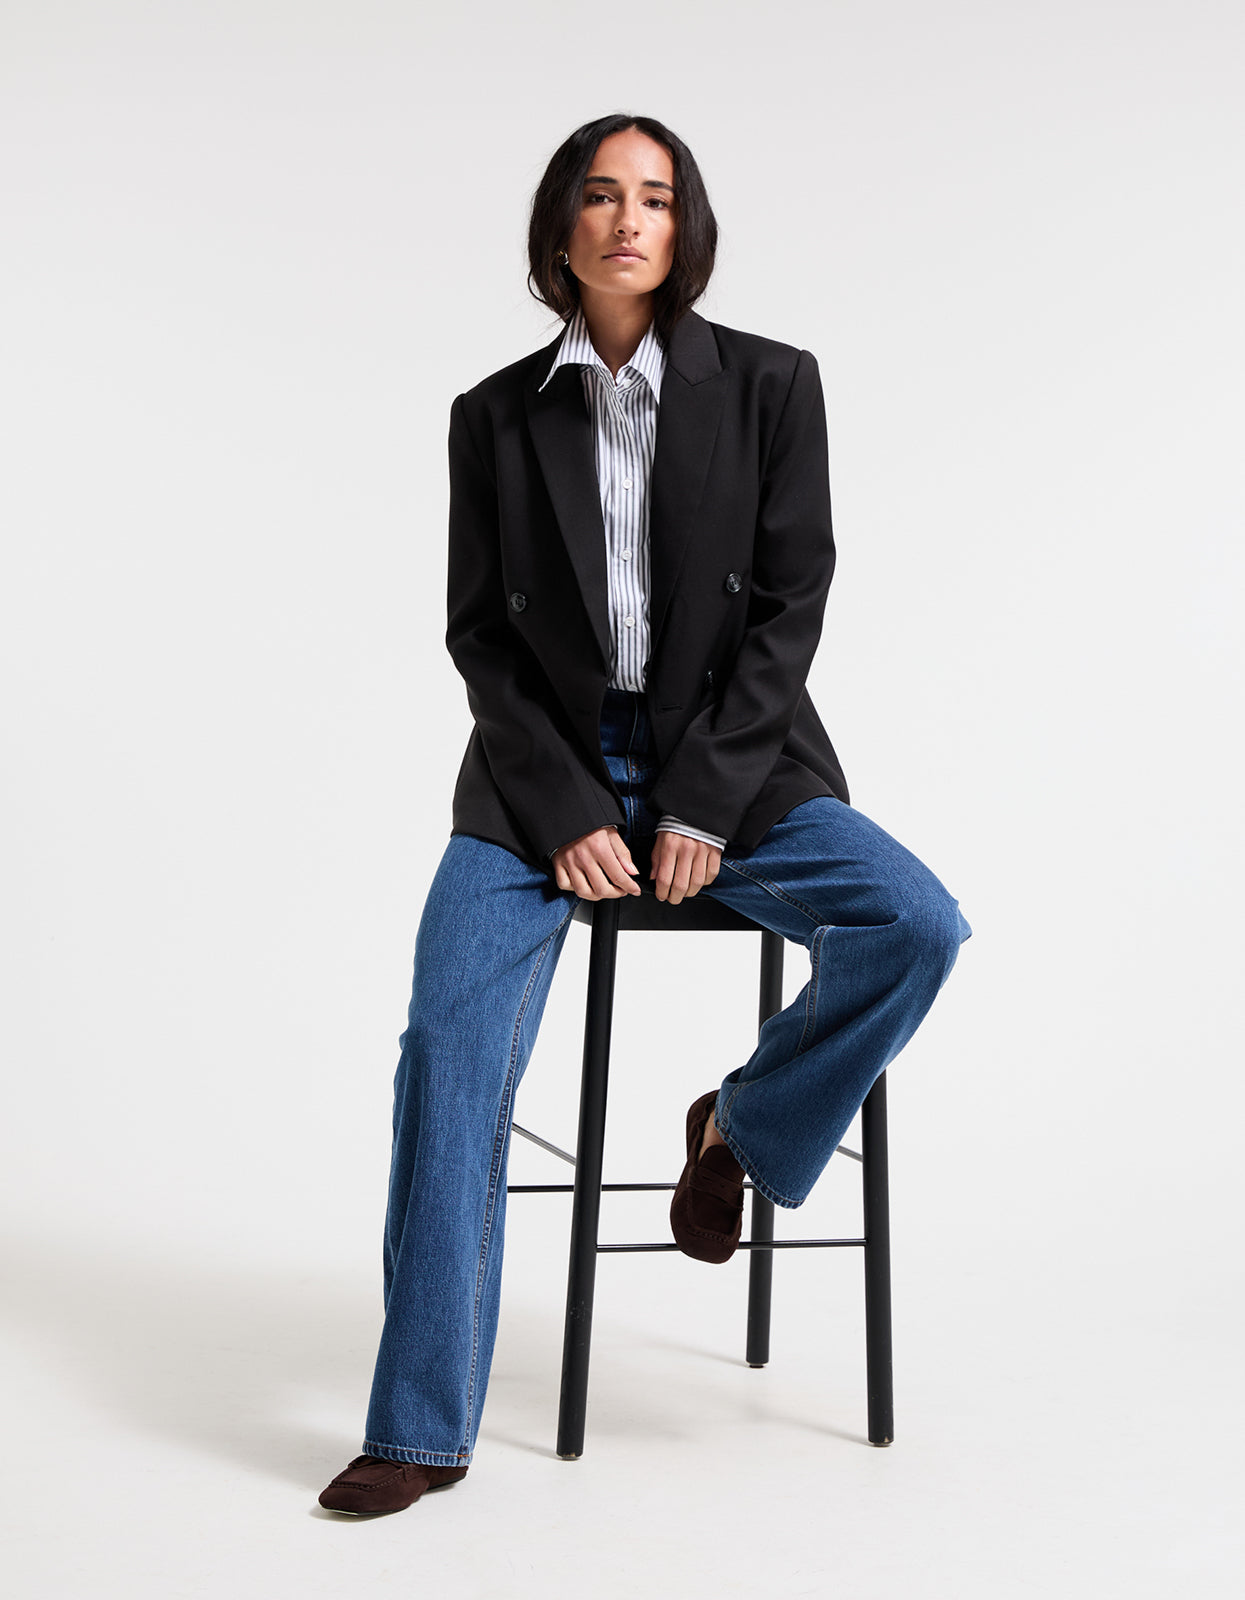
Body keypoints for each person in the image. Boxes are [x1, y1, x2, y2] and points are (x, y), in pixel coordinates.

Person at [318, 112, 972, 1517]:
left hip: (737, 763)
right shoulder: (492, 415)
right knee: (446, 1055)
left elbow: (788, 611)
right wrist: (565, 805)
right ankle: (417, 1428)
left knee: (916, 926)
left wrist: (701, 803)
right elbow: (481, 638)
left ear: (686, 228)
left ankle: (737, 1126)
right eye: (603, 195)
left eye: (657, 198)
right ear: (560, 228)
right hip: (536, 779)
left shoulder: (771, 386)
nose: (630, 219)